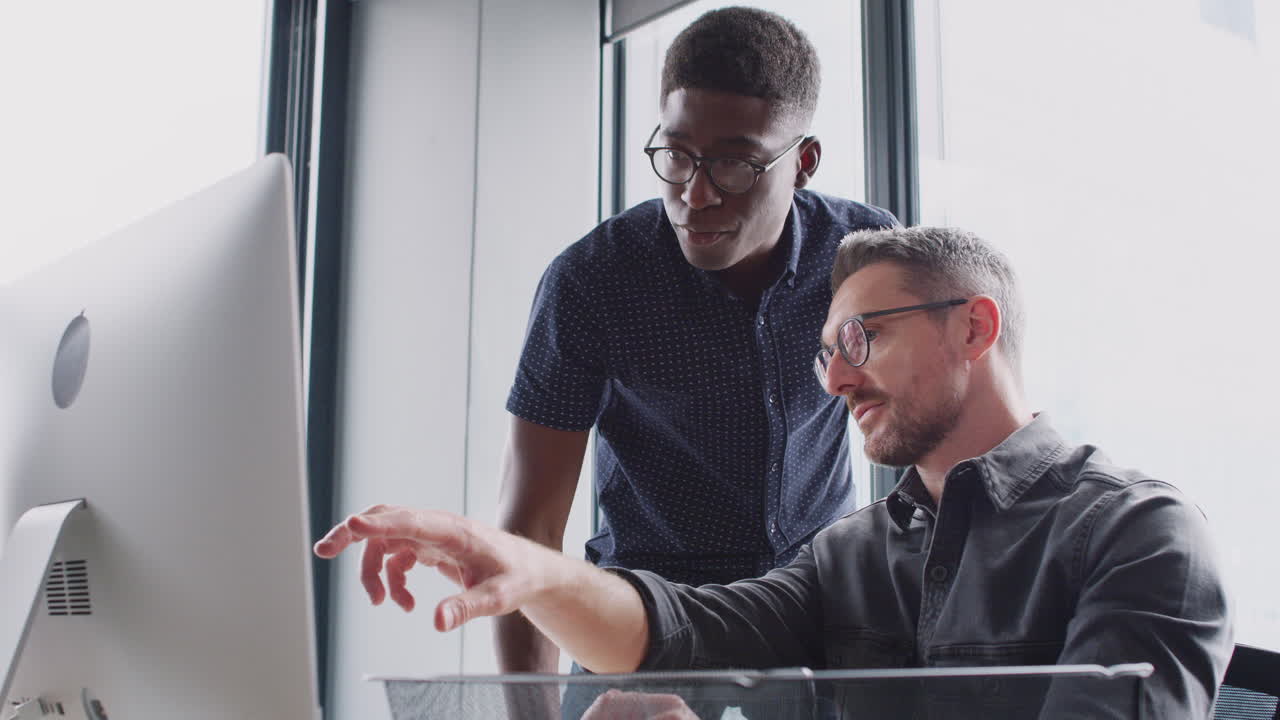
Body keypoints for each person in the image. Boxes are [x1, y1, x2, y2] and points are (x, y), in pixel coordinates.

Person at [318, 227, 1233, 718]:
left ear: (975, 328)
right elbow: (688, 631)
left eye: (858, 338)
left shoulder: (1138, 534)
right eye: (824, 351)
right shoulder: (854, 554)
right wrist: (527, 567)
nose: (834, 377)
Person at [496, 6, 896, 679]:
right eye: (677, 155)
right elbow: (527, 537)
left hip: (819, 618)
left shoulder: (862, 254)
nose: (696, 193)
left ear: (803, 163)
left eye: (736, 163)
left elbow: (928, 436)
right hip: (642, 625)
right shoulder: (592, 282)